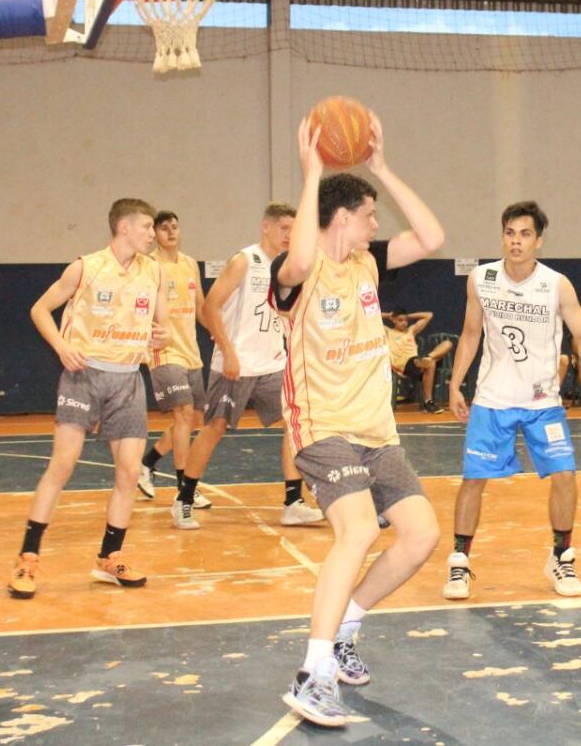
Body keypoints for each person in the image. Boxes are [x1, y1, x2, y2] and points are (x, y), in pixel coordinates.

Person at [272, 115, 444, 728]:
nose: (377, 224)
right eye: (369, 215)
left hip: (376, 433)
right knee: (359, 530)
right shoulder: (300, 269)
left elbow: (431, 235)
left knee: (421, 535)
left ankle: (347, 625)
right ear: (341, 217)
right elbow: (298, 257)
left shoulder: (368, 263)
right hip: (323, 426)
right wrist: (312, 171)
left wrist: (382, 169)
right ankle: (312, 673)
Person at [444, 201, 581, 603]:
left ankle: (561, 556)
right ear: (502, 236)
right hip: (492, 398)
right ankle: (459, 563)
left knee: (565, 475)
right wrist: (455, 384)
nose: (516, 241)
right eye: (509, 233)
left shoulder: (557, 284)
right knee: (473, 479)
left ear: (539, 241)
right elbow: (470, 334)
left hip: (542, 401)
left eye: (524, 234)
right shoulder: (481, 279)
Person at [8, 198, 164, 599]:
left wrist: (157, 336)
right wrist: (61, 346)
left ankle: (110, 558)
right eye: (147, 226)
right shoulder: (85, 267)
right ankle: (27, 559)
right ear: (124, 227)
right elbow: (40, 309)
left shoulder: (153, 271)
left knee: (129, 473)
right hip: (85, 376)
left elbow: (157, 326)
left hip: (128, 380)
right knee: (62, 465)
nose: (153, 233)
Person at [176, 202, 324, 530]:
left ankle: (293, 502)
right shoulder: (245, 260)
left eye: (294, 230)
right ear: (266, 227)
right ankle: (183, 498)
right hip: (237, 363)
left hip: (273, 363)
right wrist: (227, 350)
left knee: (294, 423)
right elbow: (210, 307)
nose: (289, 235)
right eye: (284, 228)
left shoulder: (290, 268)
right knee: (215, 428)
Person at [137, 211, 216, 512]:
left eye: (174, 227)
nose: (170, 232)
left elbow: (201, 307)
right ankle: (185, 489)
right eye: (164, 228)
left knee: (193, 420)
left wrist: (218, 333)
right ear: (156, 234)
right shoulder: (149, 265)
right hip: (164, 351)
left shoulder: (189, 264)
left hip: (190, 352)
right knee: (183, 414)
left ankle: (148, 462)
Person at [383, 307, 453, 413]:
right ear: (394, 320)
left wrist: (409, 316)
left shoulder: (411, 331)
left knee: (448, 344)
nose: (404, 323)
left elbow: (429, 315)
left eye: (405, 320)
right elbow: (370, 318)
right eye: (400, 320)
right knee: (430, 363)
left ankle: (428, 358)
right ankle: (428, 402)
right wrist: (388, 315)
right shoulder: (388, 332)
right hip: (405, 365)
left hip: (417, 361)